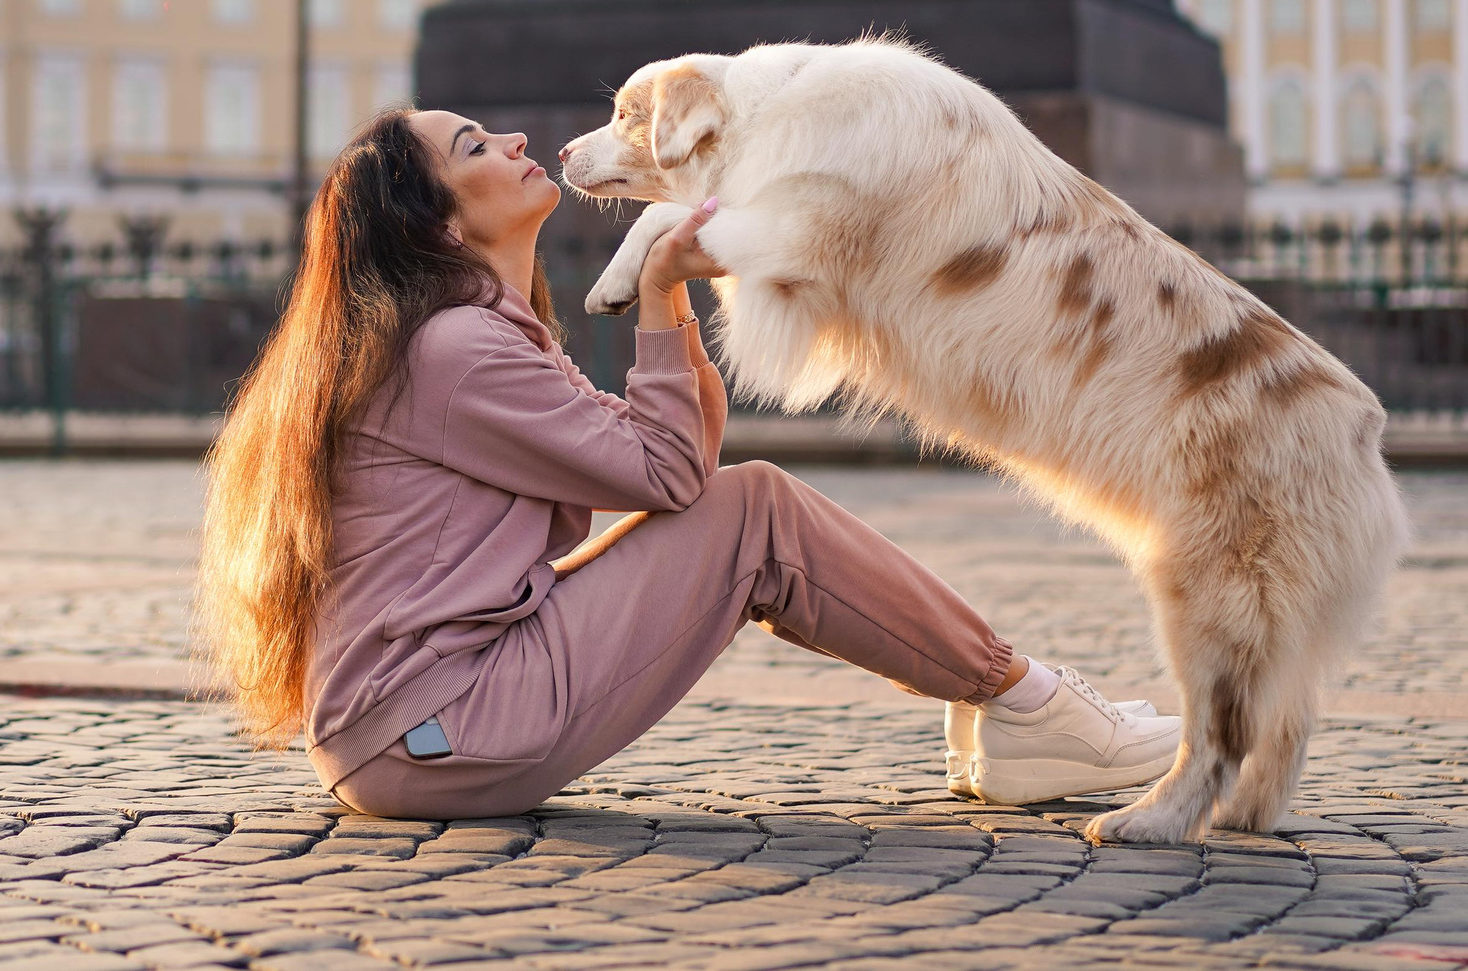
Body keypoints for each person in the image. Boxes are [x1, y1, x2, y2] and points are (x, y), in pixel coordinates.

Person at [199, 107, 1181, 819]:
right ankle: (1026, 704)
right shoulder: (455, 350)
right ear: (440, 225)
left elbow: (668, 469)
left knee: (743, 510)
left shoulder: (467, 337)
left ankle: (1003, 710)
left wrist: (667, 293)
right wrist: (663, 290)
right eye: (475, 148)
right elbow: (671, 476)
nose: (513, 142)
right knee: (754, 513)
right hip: (444, 728)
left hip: (421, 723)